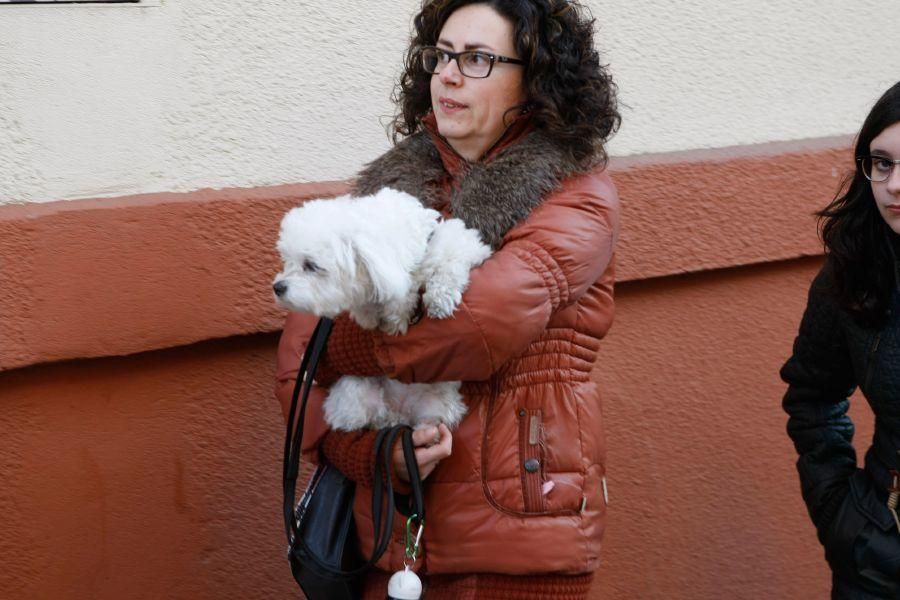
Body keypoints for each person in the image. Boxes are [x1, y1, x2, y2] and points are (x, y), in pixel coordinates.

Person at [275, 1, 620, 597]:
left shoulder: (577, 196)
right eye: (441, 55)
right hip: (387, 540)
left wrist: (340, 348)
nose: (449, 75)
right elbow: (296, 366)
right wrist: (368, 453)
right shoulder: (389, 197)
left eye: (479, 59)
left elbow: (473, 327)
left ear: (537, 80)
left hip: (518, 534)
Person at [781, 80, 900, 599]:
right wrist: (842, 517)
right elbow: (813, 397)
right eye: (882, 163)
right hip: (882, 558)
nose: (894, 184)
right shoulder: (854, 275)